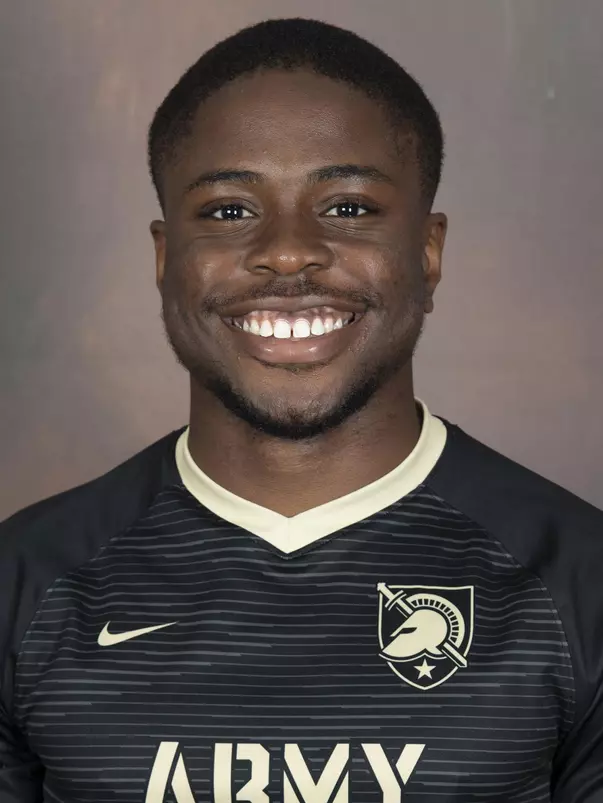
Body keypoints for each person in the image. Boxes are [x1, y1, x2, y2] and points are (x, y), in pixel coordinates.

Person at [0, 16, 601, 803]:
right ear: (162, 256)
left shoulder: (576, 582)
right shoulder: (27, 582)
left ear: (427, 251)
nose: (287, 251)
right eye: (228, 210)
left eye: (347, 207)